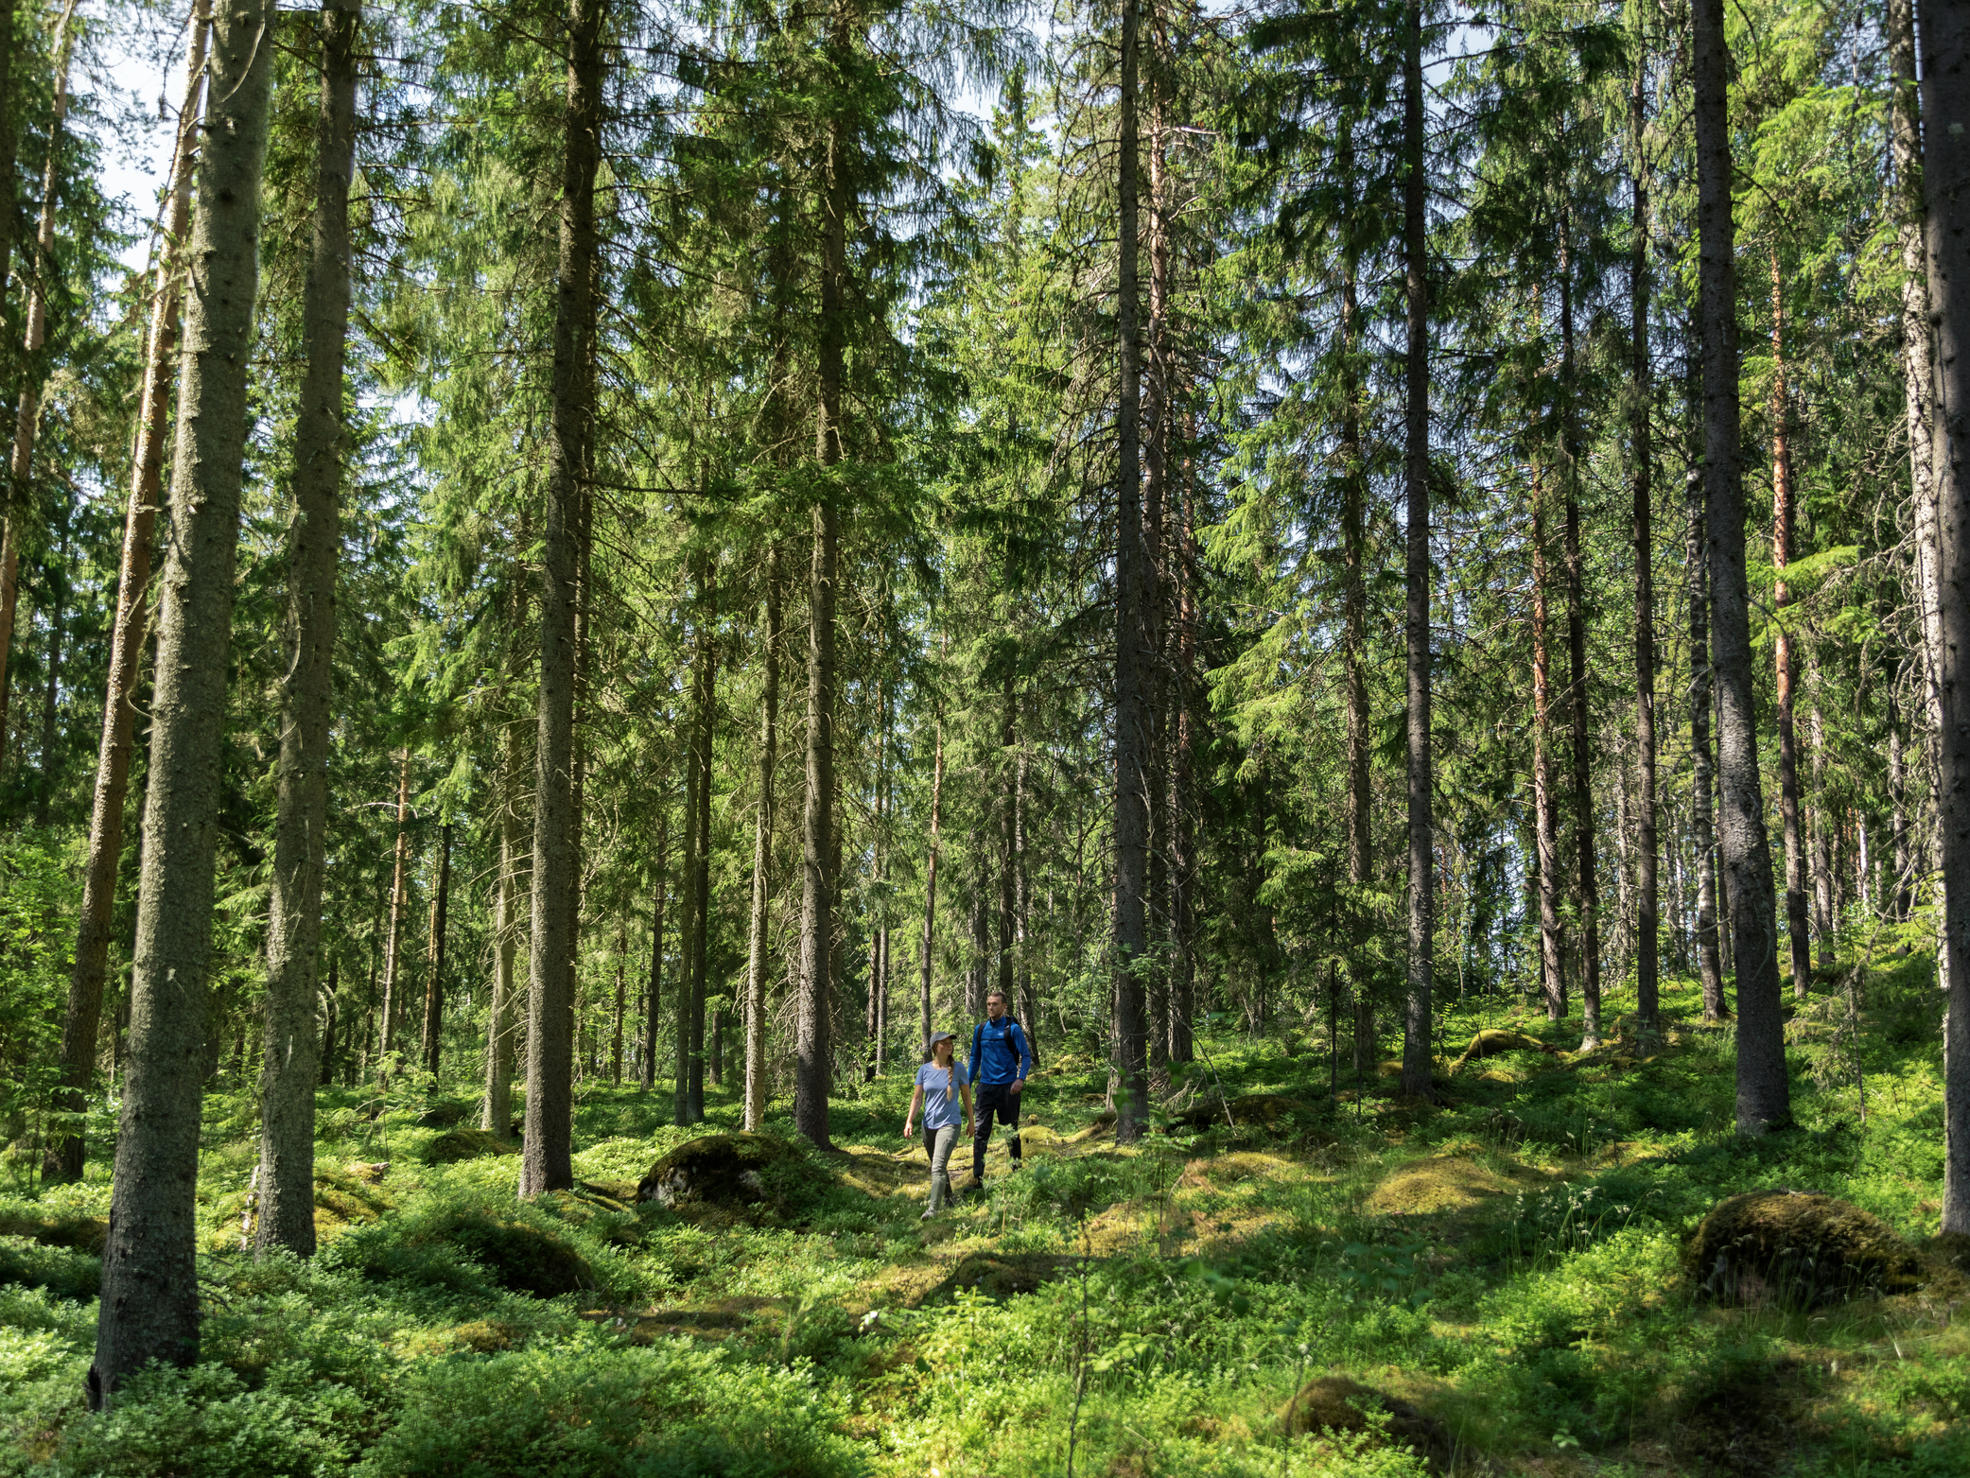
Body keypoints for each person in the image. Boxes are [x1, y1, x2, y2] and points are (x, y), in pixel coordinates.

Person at [968, 990, 1035, 1189]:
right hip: (986, 1089)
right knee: (980, 1132)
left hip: (1008, 1089)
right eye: (989, 1004)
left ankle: (1017, 1174)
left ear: (1004, 1006)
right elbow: (974, 1058)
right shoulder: (980, 1030)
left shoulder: (1012, 1029)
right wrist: (967, 1083)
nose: (991, 1007)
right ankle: (977, 1178)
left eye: (995, 1004)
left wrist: (1020, 1080)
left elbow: (1026, 1056)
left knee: (1011, 1132)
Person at [902, 1031, 972, 1219]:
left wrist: (972, 1122)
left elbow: (966, 1096)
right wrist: (909, 1121)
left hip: (950, 1124)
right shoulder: (924, 1070)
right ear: (935, 1047)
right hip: (928, 1125)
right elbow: (917, 1098)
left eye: (950, 1043)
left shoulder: (959, 1069)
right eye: (945, 1043)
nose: (949, 1045)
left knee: (938, 1166)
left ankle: (933, 1209)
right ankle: (949, 1198)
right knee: (937, 1164)